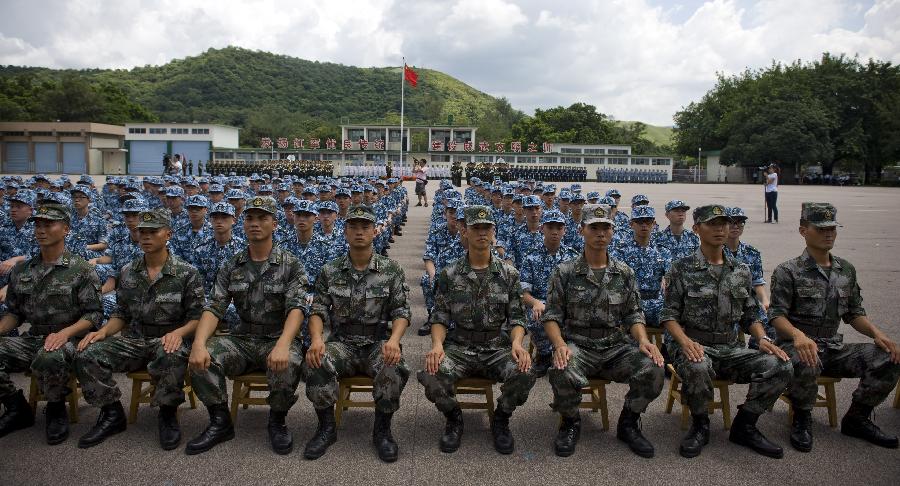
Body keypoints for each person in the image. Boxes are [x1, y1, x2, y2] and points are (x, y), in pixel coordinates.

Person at [661, 204, 792, 459]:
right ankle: (700, 425)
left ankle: (746, 424)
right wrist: (685, 342)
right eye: (713, 224)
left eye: (724, 223)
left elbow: (750, 315)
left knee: (781, 365)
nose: (721, 229)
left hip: (730, 348)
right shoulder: (681, 268)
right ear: (697, 228)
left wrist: (761, 337)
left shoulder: (741, 270)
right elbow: (669, 316)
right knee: (698, 366)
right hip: (694, 344)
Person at [770, 202, 900, 452]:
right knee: (808, 358)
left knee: (888, 356)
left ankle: (858, 417)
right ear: (803, 231)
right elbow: (776, 316)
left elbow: (854, 313)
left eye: (832, 228)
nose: (828, 233)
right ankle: (802, 418)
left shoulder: (845, 269)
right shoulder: (789, 271)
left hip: (832, 346)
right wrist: (798, 335)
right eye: (820, 229)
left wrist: (877, 333)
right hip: (797, 346)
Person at [186, 196, 308, 456]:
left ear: (275, 224)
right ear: (242, 224)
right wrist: (198, 344)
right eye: (250, 218)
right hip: (242, 339)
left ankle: (278, 420)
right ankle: (219, 421)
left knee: (290, 361)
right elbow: (214, 307)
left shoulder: (291, 264)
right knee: (204, 356)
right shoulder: (232, 264)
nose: (255, 224)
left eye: (262, 218)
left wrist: (284, 344)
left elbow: (297, 309)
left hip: (276, 336)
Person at [75, 208, 205, 450]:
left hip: (169, 338)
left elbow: (198, 317)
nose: (145, 237)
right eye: (141, 232)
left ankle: (167, 413)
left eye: (152, 232)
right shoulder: (128, 271)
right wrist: (103, 332)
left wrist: (178, 333)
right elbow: (121, 314)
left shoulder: (187, 273)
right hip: (135, 339)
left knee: (172, 354)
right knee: (87, 352)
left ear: (168, 234)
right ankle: (111, 412)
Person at [542, 204, 664, 457]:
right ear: (581, 231)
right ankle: (570, 422)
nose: (600, 233)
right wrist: (559, 345)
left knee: (653, 367)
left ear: (612, 232)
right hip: (579, 344)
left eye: (605, 228)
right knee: (561, 368)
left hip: (615, 347)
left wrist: (643, 340)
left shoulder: (624, 273)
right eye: (593, 228)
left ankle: (629, 422)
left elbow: (633, 313)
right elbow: (552, 316)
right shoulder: (565, 272)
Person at [417, 205, 535, 455]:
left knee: (524, 371)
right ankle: (454, 418)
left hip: (496, 346)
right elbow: (439, 317)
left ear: (494, 232)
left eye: (486, 228)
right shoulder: (450, 273)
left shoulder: (508, 274)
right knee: (432, 372)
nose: (482, 233)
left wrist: (517, 344)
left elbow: (517, 319)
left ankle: (501, 419)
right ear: (465, 231)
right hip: (459, 345)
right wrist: (437, 345)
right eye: (476, 228)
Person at [303, 204, 410, 462]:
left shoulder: (391, 270)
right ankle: (326, 428)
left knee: (394, 365)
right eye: (353, 227)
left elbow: (402, 312)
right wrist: (317, 339)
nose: (359, 232)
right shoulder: (331, 270)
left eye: (365, 227)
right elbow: (318, 310)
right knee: (318, 361)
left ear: (375, 232)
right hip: (343, 343)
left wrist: (394, 341)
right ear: (345, 232)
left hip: (377, 342)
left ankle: (382, 430)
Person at [0, 203, 102, 445]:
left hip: (71, 339)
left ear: (65, 229)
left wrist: (65, 333)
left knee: (51, 354)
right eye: (38, 225)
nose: (41, 230)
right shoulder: (22, 271)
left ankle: (56, 408)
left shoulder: (81, 270)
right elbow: (15, 313)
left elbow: (93, 315)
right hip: (35, 337)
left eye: (48, 224)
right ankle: (15, 406)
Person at [519, 209, 579, 376]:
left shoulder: (572, 257)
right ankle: (544, 353)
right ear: (542, 229)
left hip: (565, 305)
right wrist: (536, 302)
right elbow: (523, 293)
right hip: (540, 305)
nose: (554, 232)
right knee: (537, 316)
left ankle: (567, 351)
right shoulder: (531, 256)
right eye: (550, 227)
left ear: (564, 230)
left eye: (559, 228)